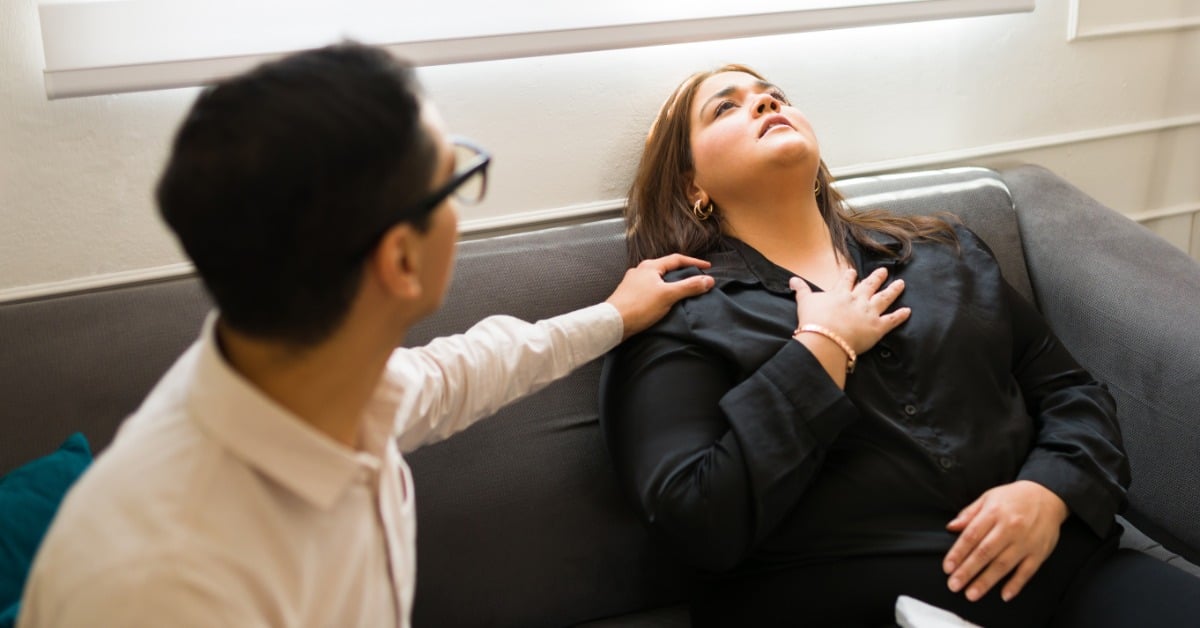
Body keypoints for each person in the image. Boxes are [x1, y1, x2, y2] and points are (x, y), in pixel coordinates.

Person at [17, 43, 714, 627]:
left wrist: (615, 316)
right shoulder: (164, 583)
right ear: (401, 262)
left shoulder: (316, 379)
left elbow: (460, 372)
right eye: (456, 181)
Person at [599, 64, 1200, 627]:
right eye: (724, 109)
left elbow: (1072, 392)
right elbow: (695, 518)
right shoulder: (677, 313)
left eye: (774, 96)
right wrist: (820, 351)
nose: (764, 101)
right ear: (692, 184)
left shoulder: (945, 252)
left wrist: (1048, 489)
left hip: (1071, 574)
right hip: (852, 603)